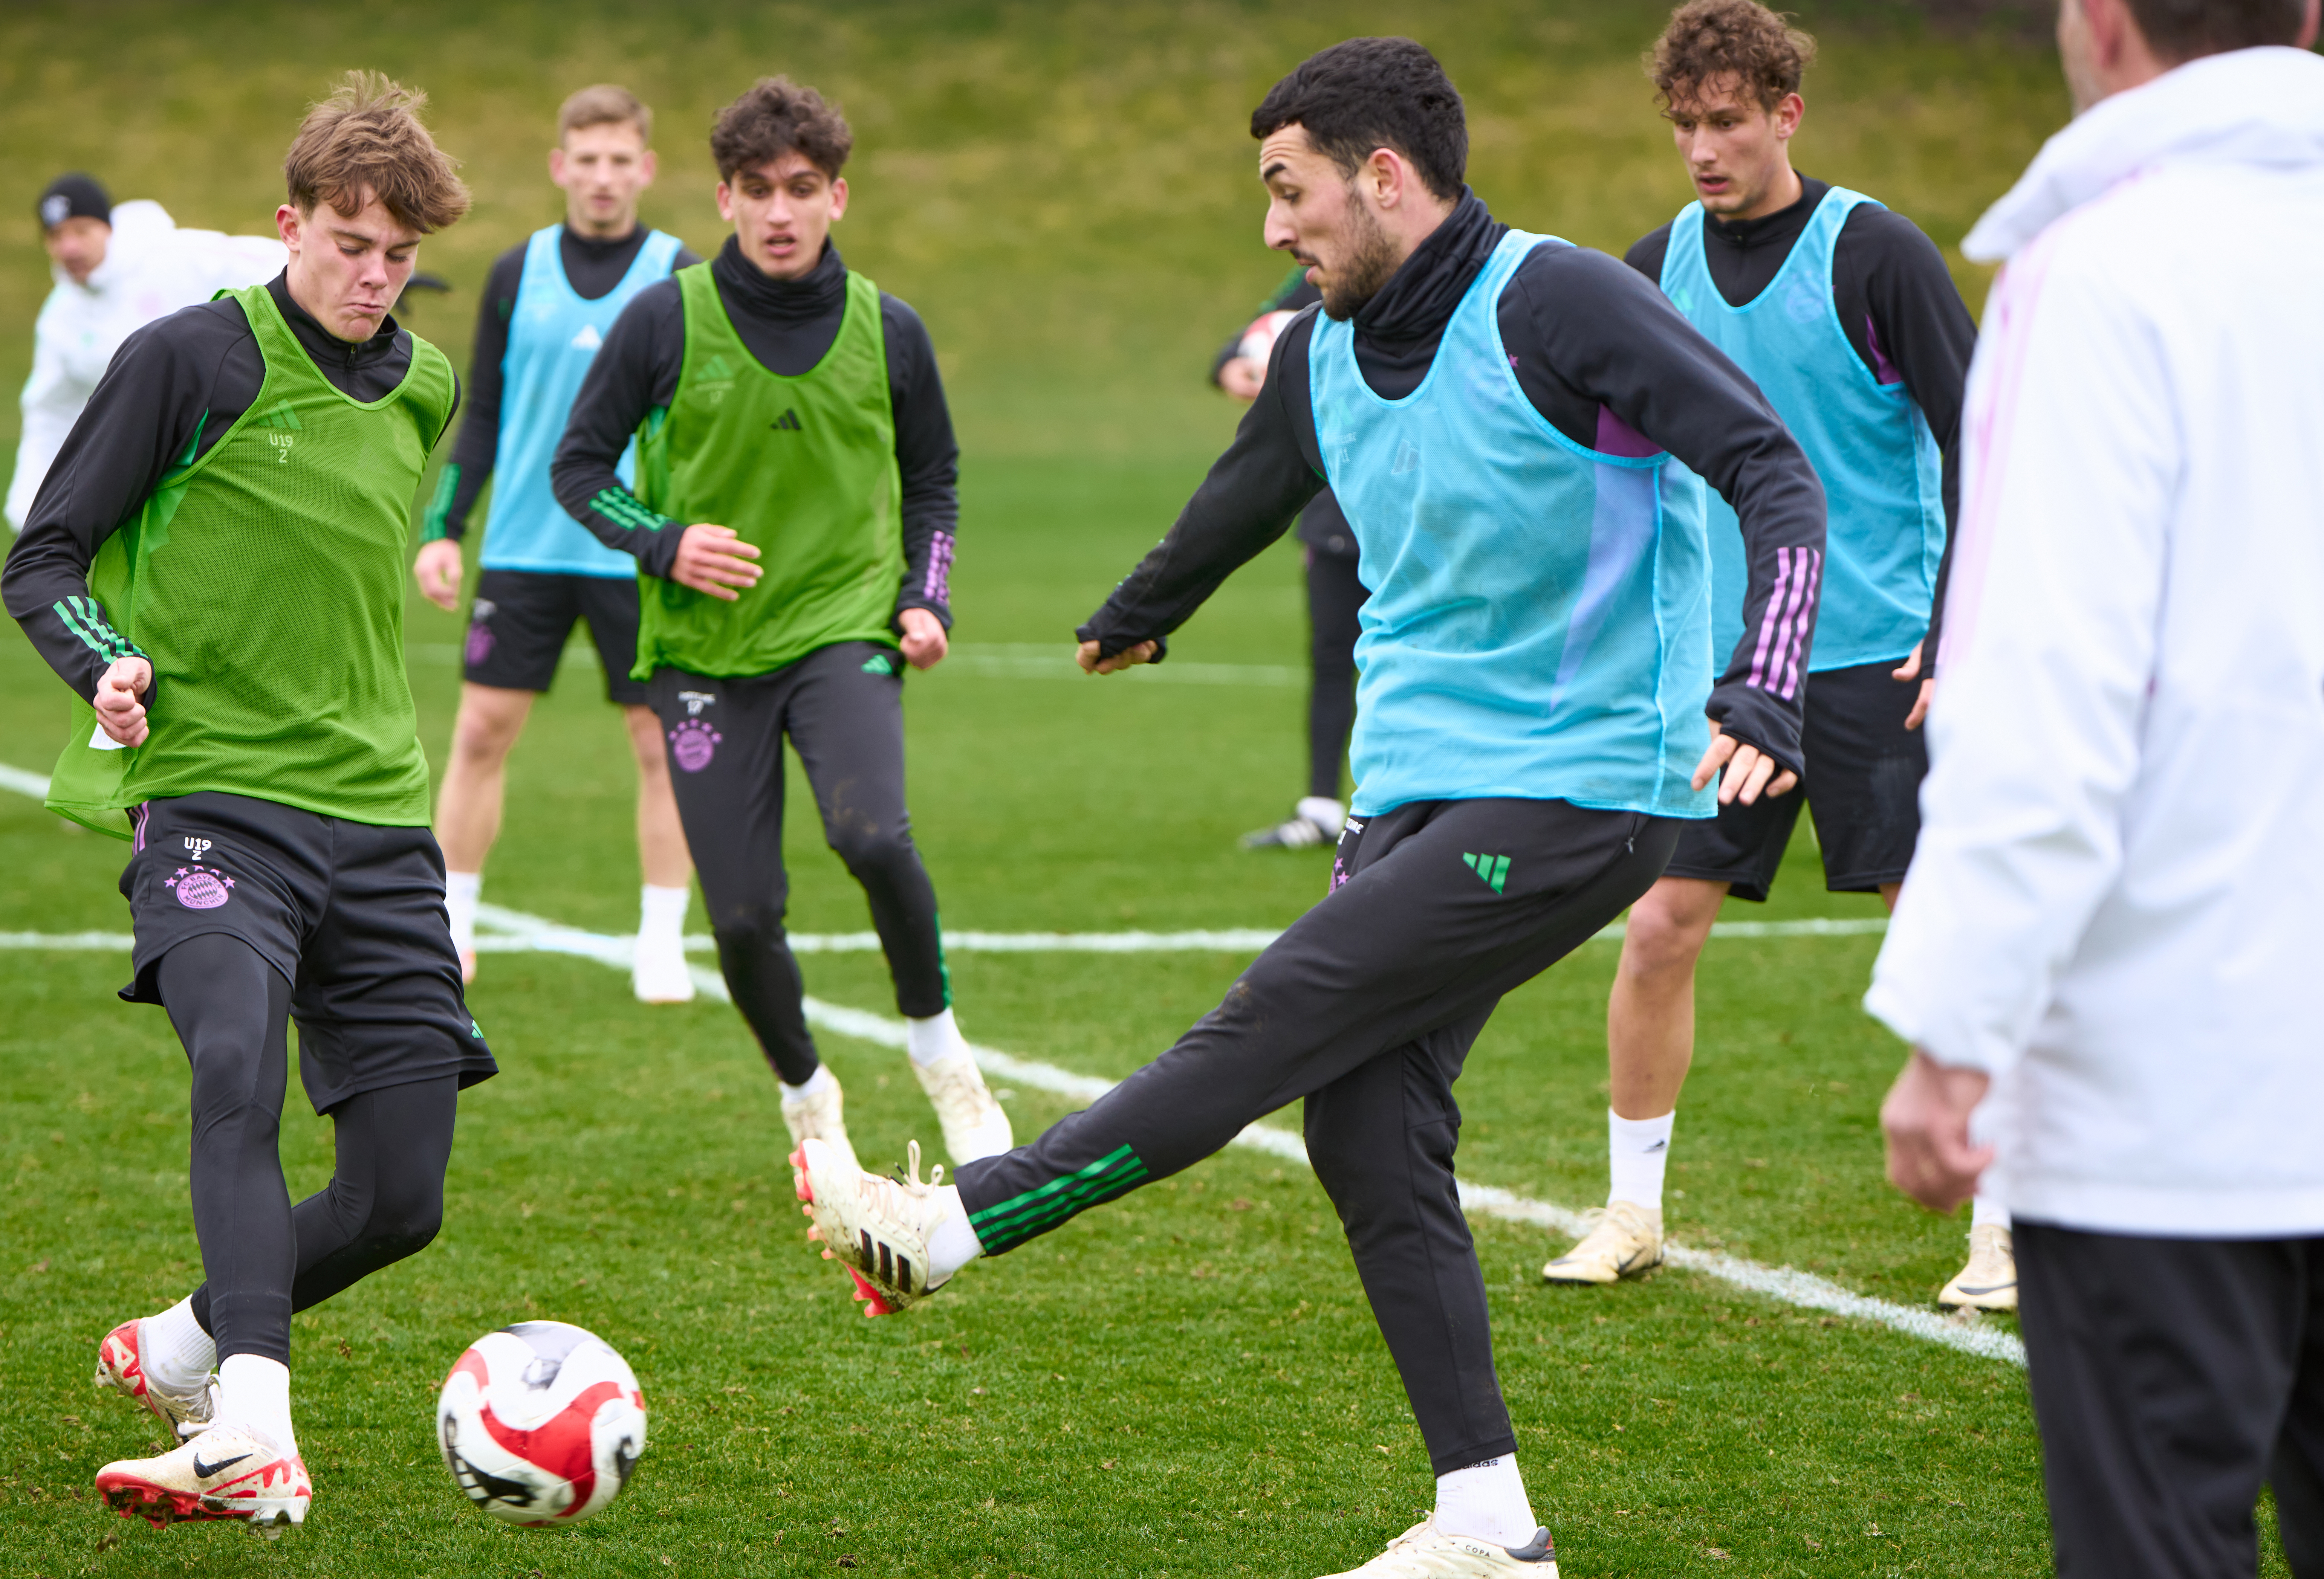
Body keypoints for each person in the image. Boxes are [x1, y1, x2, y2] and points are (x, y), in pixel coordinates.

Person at [788, 37, 1825, 1578]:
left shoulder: (1557, 301)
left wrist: (1764, 683)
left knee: (1277, 1015)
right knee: (1363, 1121)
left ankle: (960, 1225)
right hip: (1412, 788)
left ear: (1384, 178)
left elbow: (1771, 469)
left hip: (1584, 786)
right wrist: (1140, 607)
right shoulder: (1326, 343)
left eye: (1292, 192)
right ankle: (1487, 1521)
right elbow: (1252, 483)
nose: (1273, 229)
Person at [1870, 1, 2324, 1571]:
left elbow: (2048, 691)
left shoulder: (2104, 272)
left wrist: (1955, 1028)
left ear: (2100, 21)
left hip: (2171, 1098)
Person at [0, 73, 487, 1530]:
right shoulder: (189, 360)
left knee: (404, 1197)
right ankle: (245, 1432)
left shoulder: (425, 384)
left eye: (401, 256)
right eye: (351, 244)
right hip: (216, 805)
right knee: (235, 1065)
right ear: (290, 225)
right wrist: (106, 671)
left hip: (381, 823)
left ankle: (190, 1342)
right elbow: (49, 557)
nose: (374, 278)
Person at [1541, 0, 1988, 1305]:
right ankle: (1631, 1208)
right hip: (1731, 679)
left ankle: (2006, 1219)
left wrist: (1956, 627)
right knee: (1660, 923)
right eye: (1684, 123)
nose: (1702, 148)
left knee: (1933, 931)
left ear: (1787, 113)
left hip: (1878, 658)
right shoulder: (1650, 267)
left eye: (1727, 121)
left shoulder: (1876, 255)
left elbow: (1982, 440)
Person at [550, 76, 1009, 1171]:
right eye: (757, 190)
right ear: (724, 199)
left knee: (871, 835)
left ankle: (942, 1052)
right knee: (745, 916)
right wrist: (664, 541)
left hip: (841, 627)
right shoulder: (664, 318)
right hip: (703, 657)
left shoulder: (890, 328)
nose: (779, 211)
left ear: (838, 196)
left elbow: (933, 476)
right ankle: (809, 1096)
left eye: (801, 188)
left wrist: (923, 593)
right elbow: (577, 469)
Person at [413, 85, 702, 1001]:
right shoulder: (516, 269)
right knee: (480, 732)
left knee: (659, 742)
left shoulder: (679, 272)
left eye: (621, 160)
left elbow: (695, 425)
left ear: (645, 169)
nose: (604, 177)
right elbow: (486, 413)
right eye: (588, 159)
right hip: (525, 548)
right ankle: (449, 926)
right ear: (560, 167)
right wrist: (443, 527)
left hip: (632, 552)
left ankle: (660, 941)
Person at [4, 173, 284, 533]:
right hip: (147, 475)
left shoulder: (176, 256)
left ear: (108, 227)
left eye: (81, 230)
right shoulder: (61, 317)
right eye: (56, 236)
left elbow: (280, 264)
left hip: (239, 449)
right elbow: (52, 411)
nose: (69, 248)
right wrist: (29, 514)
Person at [1211, 269, 1364, 852]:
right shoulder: (1321, 278)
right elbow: (1237, 348)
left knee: (1416, 657)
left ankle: (1427, 806)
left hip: (1410, 505)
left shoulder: (1421, 282)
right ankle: (1323, 809)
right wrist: (1241, 368)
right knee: (1330, 657)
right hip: (1330, 509)